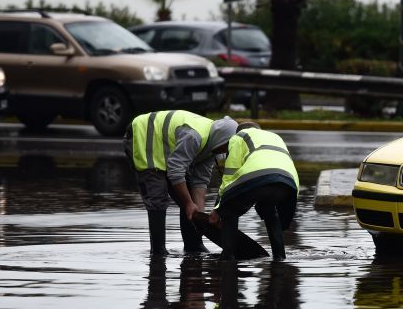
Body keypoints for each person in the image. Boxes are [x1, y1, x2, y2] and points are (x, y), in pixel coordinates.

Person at [125, 110, 238, 255]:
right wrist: (188, 203)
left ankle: (194, 246)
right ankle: (158, 252)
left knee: (189, 199)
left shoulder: (212, 146)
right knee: (157, 197)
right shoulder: (194, 136)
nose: (225, 151)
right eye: (226, 146)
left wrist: (199, 215)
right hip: (143, 136)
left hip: (166, 151)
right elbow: (176, 170)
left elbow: (200, 181)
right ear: (221, 138)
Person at [208, 122, 299, 261]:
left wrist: (218, 208)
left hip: (259, 177)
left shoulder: (238, 137)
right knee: (270, 209)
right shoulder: (274, 136)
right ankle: (280, 257)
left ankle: (228, 258)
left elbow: (229, 177)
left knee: (229, 208)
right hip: (288, 184)